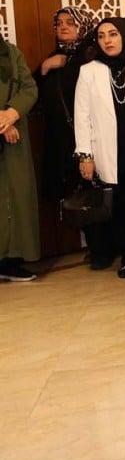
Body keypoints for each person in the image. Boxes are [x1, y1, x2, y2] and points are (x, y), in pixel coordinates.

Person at [74, 18, 125, 276]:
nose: (107, 40)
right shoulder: (89, 71)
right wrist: (85, 155)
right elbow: (82, 116)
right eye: (101, 36)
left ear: (124, 36)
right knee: (122, 205)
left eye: (113, 34)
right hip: (110, 150)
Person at [36, 7, 96, 201]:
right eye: (59, 23)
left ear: (83, 25)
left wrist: (69, 64)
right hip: (59, 139)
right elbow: (36, 95)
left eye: (70, 22)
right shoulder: (54, 57)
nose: (63, 27)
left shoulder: (92, 56)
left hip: (86, 138)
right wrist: (45, 68)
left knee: (93, 200)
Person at [0, 37, 40, 281]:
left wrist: (11, 114)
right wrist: (3, 123)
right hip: (8, 130)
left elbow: (29, 88)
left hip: (13, 140)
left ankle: (11, 259)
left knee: (16, 195)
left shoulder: (11, 53)